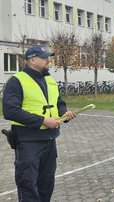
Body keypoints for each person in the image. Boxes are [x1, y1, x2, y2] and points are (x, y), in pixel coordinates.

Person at [2, 45, 76, 202]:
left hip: (49, 141)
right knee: (28, 187)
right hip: (29, 143)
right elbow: (10, 111)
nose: (48, 60)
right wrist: (43, 121)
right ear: (32, 60)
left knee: (46, 185)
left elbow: (58, 101)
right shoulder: (16, 81)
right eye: (44, 57)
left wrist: (64, 113)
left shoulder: (49, 80)